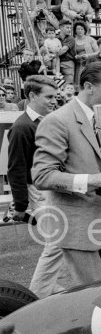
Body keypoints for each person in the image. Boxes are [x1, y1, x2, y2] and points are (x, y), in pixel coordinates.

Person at [32, 62, 101, 287]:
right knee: (92, 298)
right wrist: (93, 180)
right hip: (77, 225)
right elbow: (43, 176)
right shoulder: (57, 120)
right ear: (88, 86)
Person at [7, 76, 59, 298]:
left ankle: (48, 289)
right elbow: (15, 168)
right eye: (49, 97)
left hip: (47, 189)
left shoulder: (43, 121)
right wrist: (21, 204)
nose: (54, 101)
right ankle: (36, 295)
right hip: (38, 191)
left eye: (55, 97)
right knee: (56, 244)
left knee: (56, 242)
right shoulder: (21, 127)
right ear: (31, 96)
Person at [73, 21, 99, 85]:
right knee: (78, 80)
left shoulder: (91, 40)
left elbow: (98, 52)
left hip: (89, 63)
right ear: (75, 31)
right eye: (78, 29)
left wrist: (88, 56)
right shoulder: (73, 40)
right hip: (78, 64)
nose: (80, 31)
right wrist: (75, 56)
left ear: (85, 30)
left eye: (82, 29)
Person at [57, 19, 76, 85]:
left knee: (68, 84)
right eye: (67, 27)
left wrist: (53, 55)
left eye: (70, 28)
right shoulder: (55, 37)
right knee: (56, 83)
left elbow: (63, 50)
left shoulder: (71, 38)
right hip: (56, 62)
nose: (69, 29)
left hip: (67, 62)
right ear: (61, 28)